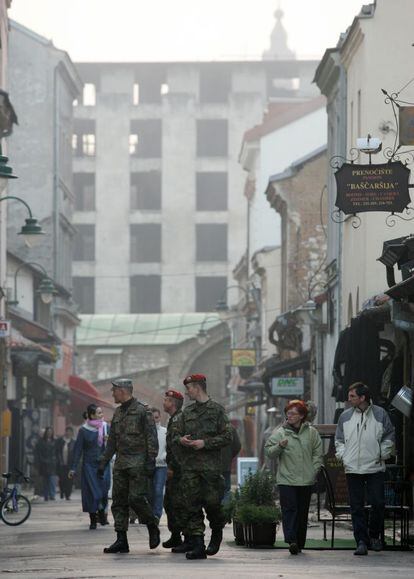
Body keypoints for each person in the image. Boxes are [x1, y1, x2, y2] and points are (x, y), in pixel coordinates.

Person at [174, 373, 232, 560]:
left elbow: (227, 437)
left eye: (189, 388)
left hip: (211, 469)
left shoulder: (217, 410)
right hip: (190, 468)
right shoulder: (187, 413)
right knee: (192, 506)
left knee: (213, 505)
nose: (186, 392)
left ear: (197, 387)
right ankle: (198, 544)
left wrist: (205, 443)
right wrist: (181, 440)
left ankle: (216, 531)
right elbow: (175, 435)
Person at [98, 378, 160, 554]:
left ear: (123, 391)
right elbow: (112, 442)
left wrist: (151, 461)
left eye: (114, 390)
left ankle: (152, 525)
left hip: (138, 463)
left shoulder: (142, 411)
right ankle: (121, 540)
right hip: (121, 464)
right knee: (118, 502)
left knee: (136, 499)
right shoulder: (117, 413)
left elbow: (151, 438)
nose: (112, 393)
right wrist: (103, 462)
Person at [335, 382, 395, 556]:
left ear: (363, 398)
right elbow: (338, 440)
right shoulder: (345, 416)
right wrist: (343, 456)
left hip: (375, 467)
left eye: (352, 396)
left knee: (378, 503)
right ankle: (361, 541)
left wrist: (381, 454)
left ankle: (374, 536)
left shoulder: (380, 413)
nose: (349, 399)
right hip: (353, 468)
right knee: (356, 506)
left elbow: (389, 436)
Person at [265, 400, 323, 555]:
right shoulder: (280, 432)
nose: (288, 416)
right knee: (290, 510)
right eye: (287, 413)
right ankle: (292, 540)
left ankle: (300, 542)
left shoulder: (312, 433)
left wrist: (314, 469)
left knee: (302, 512)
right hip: (286, 479)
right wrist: (279, 446)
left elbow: (318, 453)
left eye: (292, 413)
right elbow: (269, 452)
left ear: (302, 416)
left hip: (306, 479)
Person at [69, 405, 110, 529]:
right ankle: (93, 519)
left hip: (104, 464)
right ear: (91, 415)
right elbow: (78, 450)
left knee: (103, 490)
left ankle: (102, 510)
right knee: (92, 493)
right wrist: (73, 468)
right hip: (89, 466)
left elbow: (115, 445)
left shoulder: (106, 427)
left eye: (101, 412)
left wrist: (108, 440)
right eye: (98, 413)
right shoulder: (83, 430)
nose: (101, 414)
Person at [161, 388, 186, 550]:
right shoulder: (173, 419)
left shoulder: (177, 420)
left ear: (172, 403)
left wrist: (173, 468)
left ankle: (186, 538)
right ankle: (176, 536)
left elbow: (177, 448)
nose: (164, 402)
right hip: (174, 470)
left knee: (179, 505)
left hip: (178, 472)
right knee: (169, 503)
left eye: (166, 400)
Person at [151, 407, 168, 521]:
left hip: (161, 466)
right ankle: (150, 514)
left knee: (158, 490)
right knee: (149, 491)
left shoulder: (165, 432)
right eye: (152, 418)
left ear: (160, 417)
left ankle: (157, 514)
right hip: (148, 466)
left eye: (156, 418)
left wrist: (164, 458)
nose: (154, 420)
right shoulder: (145, 433)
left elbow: (169, 448)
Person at [221, 423, 241, 505]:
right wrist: (229, 456)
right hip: (225, 465)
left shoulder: (207, 426)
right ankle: (225, 512)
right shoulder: (230, 428)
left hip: (209, 467)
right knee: (226, 490)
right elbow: (237, 446)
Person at [35, 426, 57, 501]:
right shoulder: (40, 442)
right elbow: (38, 453)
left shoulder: (55, 441)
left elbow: (57, 452)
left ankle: (52, 495)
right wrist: (40, 461)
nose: (49, 434)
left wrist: (55, 460)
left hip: (52, 464)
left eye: (50, 432)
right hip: (44, 464)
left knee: (52, 480)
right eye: (48, 432)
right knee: (45, 481)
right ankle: (46, 495)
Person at [56, 426, 75, 500]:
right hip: (61, 464)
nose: (68, 433)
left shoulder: (74, 442)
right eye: (67, 431)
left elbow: (75, 453)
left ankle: (68, 495)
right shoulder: (60, 441)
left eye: (70, 431)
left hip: (70, 465)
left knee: (69, 480)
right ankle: (62, 492)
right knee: (62, 479)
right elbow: (57, 452)